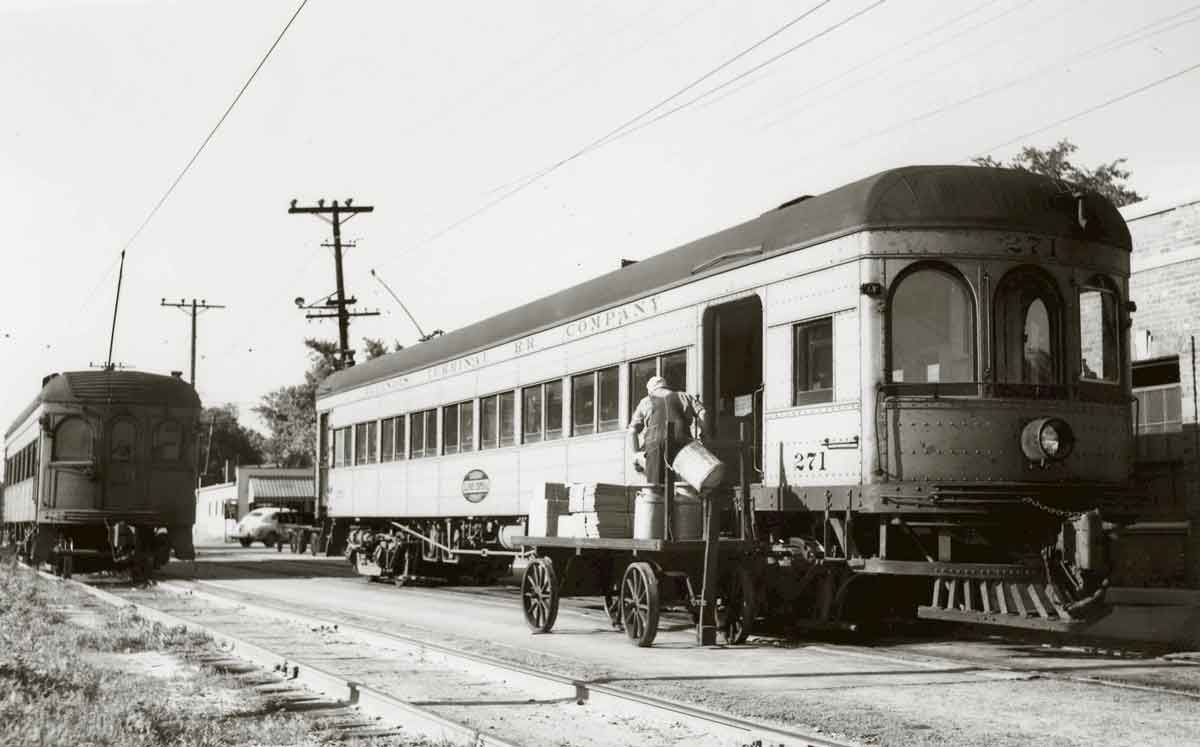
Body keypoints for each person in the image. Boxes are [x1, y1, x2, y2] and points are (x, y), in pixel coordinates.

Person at [628, 375, 707, 486]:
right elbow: (703, 413)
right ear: (666, 387)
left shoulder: (645, 402)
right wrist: (703, 434)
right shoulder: (683, 396)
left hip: (655, 447)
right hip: (682, 444)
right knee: (685, 488)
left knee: (655, 491)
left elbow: (632, 431)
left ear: (650, 391)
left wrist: (636, 455)